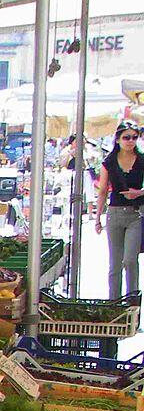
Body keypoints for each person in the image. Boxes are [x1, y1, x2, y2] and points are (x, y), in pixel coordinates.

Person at [94, 121, 143, 300]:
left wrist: (139, 193)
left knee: (130, 260)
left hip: (135, 214)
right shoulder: (109, 162)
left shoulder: (142, 160)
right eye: (127, 137)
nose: (130, 141)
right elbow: (102, 190)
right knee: (114, 264)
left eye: (134, 137)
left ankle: (132, 303)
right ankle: (113, 304)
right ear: (118, 139)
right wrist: (97, 217)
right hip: (114, 213)